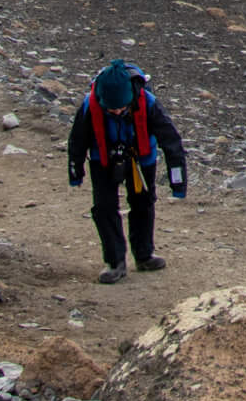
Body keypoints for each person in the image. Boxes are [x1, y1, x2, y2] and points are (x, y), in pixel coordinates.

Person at [67, 59, 188, 285]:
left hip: (141, 160)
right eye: (111, 108)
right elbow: (77, 140)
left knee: (143, 203)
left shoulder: (148, 103)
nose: (117, 111)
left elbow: (172, 143)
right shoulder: (90, 105)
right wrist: (76, 172)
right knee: (104, 208)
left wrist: (178, 182)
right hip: (102, 159)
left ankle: (144, 255)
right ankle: (115, 262)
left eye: (121, 107)